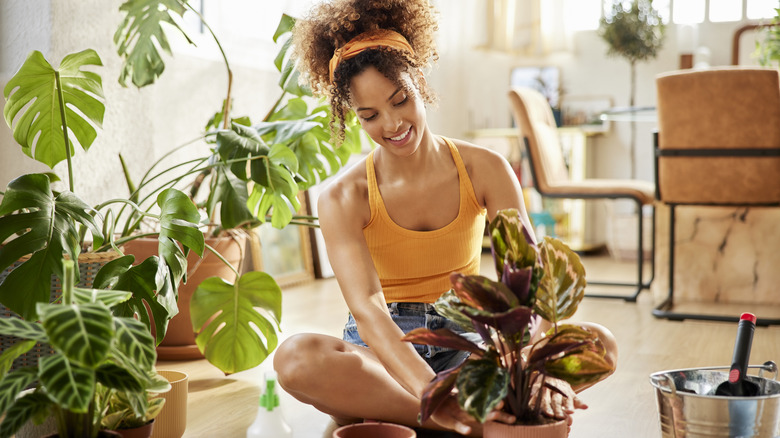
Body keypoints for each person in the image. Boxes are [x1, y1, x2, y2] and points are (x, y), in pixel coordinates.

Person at [272, 0, 617, 436]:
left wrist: (529, 367)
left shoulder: (485, 168)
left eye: (400, 100)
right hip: (385, 354)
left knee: (600, 343)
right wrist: (433, 390)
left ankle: (409, 412)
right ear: (351, 116)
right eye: (370, 115)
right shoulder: (344, 196)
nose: (393, 124)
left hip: (471, 347)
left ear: (419, 81)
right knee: (297, 358)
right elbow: (369, 312)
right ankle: (469, 418)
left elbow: (529, 282)